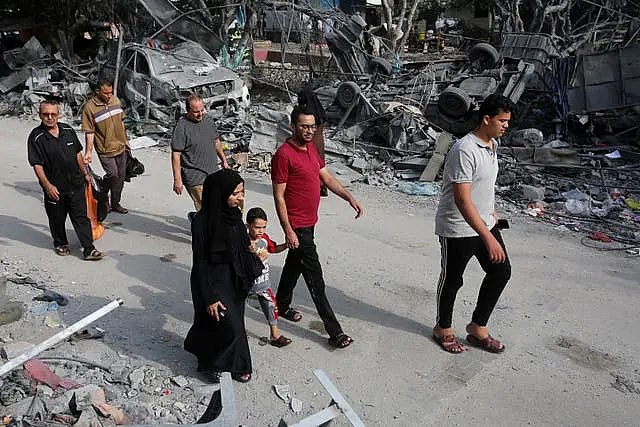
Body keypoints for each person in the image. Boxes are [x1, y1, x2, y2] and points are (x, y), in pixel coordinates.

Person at [271, 105, 363, 349]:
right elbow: (279, 197)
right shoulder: (283, 155)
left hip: (309, 223)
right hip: (297, 226)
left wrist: (348, 197)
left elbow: (326, 176)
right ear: (293, 126)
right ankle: (335, 332)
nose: (309, 130)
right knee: (315, 280)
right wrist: (288, 230)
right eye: (304, 126)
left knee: (294, 265)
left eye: (312, 126)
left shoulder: (311, 149)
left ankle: (280, 305)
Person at [432, 94, 513, 354]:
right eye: (502, 120)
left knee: (501, 271)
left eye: (507, 121)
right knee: (453, 279)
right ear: (486, 119)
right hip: (458, 226)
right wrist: (487, 237)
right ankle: (442, 328)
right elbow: (462, 200)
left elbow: (483, 186)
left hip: (484, 222)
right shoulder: (464, 149)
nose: (505, 126)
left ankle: (478, 328)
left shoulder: (491, 146)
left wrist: (492, 216)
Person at [184, 169, 264, 383]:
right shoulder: (202, 222)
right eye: (235, 194)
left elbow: (240, 245)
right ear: (220, 193)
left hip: (234, 279)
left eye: (241, 193)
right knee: (230, 326)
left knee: (230, 322)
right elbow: (199, 261)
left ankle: (234, 364)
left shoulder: (234, 216)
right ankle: (217, 365)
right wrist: (209, 296)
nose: (240, 198)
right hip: (211, 280)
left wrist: (252, 253)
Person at [27, 100, 104, 261]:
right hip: (55, 188)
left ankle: (88, 248)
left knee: (81, 216)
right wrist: (48, 186)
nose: (49, 117)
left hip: (76, 184)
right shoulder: (36, 137)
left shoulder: (68, 130)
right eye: (45, 114)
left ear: (58, 114)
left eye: (53, 114)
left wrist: (85, 174)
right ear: (40, 115)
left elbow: (77, 154)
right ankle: (60, 243)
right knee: (57, 218)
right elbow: (37, 165)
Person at [171, 94, 229, 213]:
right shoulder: (181, 127)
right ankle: (204, 229)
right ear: (188, 110)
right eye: (196, 112)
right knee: (206, 209)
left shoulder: (208, 120)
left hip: (213, 173)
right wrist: (177, 179)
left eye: (202, 110)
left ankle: (201, 223)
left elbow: (216, 141)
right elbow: (176, 155)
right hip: (194, 176)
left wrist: (224, 160)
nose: (200, 114)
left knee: (218, 205)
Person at [246, 207, 291, 348]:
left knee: (271, 307)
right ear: (248, 226)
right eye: (257, 227)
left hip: (263, 283)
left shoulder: (264, 239)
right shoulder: (243, 242)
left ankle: (275, 334)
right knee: (236, 311)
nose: (261, 231)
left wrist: (286, 245)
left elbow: (273, 248)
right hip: (245, 286)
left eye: (263, 227)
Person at [82, 79, 129, 214]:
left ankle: (115, 203)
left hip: (121, 146)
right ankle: (102, 194)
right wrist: (89, 151)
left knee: (120, 177)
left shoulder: (115, 101)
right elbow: (89, 132)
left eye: (111, 92)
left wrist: (126, 141)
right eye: (106, 93)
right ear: (98, 91)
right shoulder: (90, 108)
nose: (109, 95)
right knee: (113, 175)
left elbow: (121, 122)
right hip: (105, 149)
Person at [297, 84, 328, 196]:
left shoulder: (308, 114)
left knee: (310, 166)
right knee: (320, 165)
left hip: (311, 143)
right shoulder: (319, 111)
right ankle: (323, 187)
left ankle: (314, 188)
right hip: (320, 142)